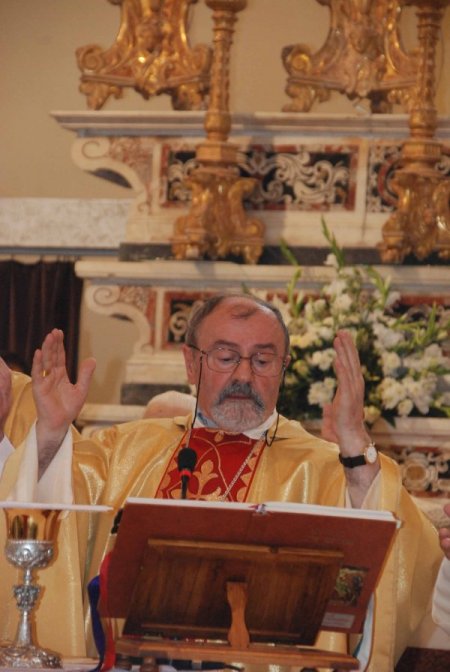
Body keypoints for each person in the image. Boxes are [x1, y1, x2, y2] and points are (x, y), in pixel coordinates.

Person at [0, 293, 443, 671]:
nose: (244, 376)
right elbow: (53, 521)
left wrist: (356, 447)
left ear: (284, 367)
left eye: (263, 360)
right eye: (226, 357)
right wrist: (51, 434)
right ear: (191, 363)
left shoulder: (324, 466)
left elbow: (402, 562)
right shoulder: (126, 448)